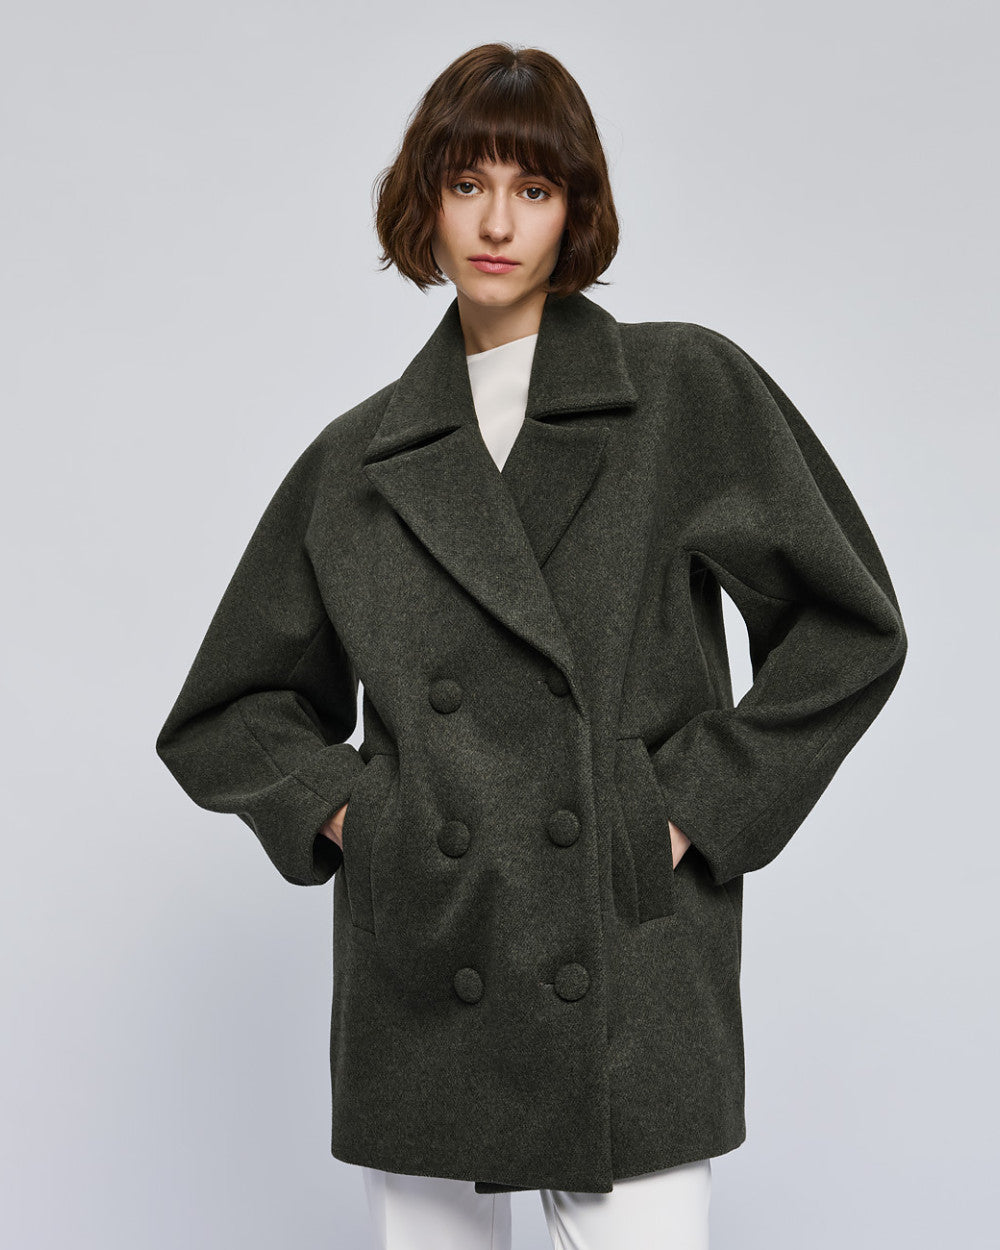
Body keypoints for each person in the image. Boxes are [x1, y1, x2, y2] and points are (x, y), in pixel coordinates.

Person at [156, 43, 907, 1250]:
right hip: (426, 960)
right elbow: (226, 712)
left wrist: (682, 806)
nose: (497, 222)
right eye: (466, 184)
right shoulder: (355, 462)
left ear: (575, 209)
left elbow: (847, 624)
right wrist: (371, 822)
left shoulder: (679, 389)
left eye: (534, 187)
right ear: (425, 203)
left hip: (625, 959)